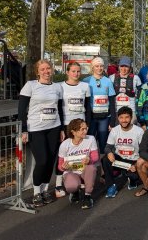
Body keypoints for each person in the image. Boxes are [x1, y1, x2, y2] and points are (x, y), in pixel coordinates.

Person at [19, 59, 64, 207]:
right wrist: (23, 129)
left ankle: (45, 190)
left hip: (54, 127)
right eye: (42, 69)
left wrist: (62, 128)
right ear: (37, 71)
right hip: (36, 128)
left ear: (52, 70)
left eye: (48, 69)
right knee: (42, 160)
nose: (46, 72)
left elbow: (60, 108)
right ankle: (36, 192)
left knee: (50, 160)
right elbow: (21, 110)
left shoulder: (57, 87)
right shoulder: (31, 85)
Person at [56, 62, 91, 198]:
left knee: (81, 153)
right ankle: (59, 183)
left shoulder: (85, 86)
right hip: (66, 125)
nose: (76, 74)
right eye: (73, 71)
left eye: (78, 71)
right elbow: (58, 108)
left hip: (81, 125)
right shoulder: (60, 86)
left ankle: (79, 180)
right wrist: (60, 128)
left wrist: (86, 125)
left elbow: (88, 107)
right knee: (63, 155)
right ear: (67, 72)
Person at [102, 106, 144, 198]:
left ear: (131, 117)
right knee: (105, 159)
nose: (124, 120)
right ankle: (111, 186)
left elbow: (144, 151)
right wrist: (109, 152)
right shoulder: (114, 130)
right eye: (121, 117)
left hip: (133, 161)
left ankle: (132, 178)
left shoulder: (139, 131)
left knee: (135, 176)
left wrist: (136, 165)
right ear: (118, 118)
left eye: (127, 117)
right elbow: (107, 147)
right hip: (120, 160)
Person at [57, 119, 99, 209]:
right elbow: (60, 165)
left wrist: (90, 160)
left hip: (85, 170)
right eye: (82, 129)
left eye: (86, 128)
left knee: (91, 168)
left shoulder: (90, 139)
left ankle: (87, 196)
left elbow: (95, 157)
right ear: (73, 132)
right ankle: (75, 192)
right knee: (71, 186)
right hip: (71, 172)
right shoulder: (64, 145)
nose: (85, 131)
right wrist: (63, 167)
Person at [83, 57, 116, 153]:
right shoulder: (86, 81)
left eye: (101, 66)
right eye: (97, 66)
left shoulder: (108, 81)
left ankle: (102, 164)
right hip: (91, 117)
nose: (99, 68)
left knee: (103, 142)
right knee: (89, 142)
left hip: (105, 117)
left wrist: (112, 120)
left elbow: (112, 101)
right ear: (92, 67)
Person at [109, 56, 142, 120]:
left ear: (130, 67)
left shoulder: (136, 78)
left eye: (126, 66)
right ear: (118, 66)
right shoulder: (111, 77)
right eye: (122, 66)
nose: (123, 69)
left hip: (131, 110)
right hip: (116, 111)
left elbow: (140, 95)